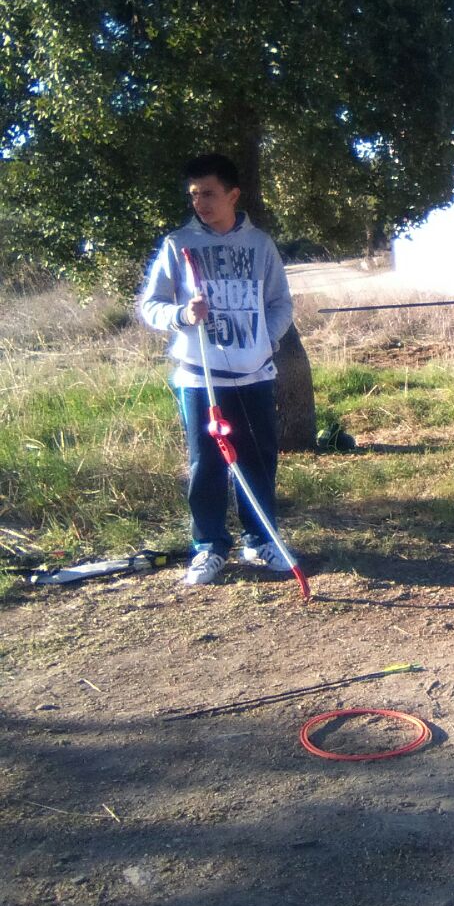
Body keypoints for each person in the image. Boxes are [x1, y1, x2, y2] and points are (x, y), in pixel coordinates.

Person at [140, 154, 295, 584]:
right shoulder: (177, 244)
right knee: (206, 463)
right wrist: (182, 315)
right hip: (200, 377)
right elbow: (151, 306)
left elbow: (281, 303)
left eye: (208, 193)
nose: (200, 203)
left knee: (258, 460)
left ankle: (260, 539)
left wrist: (266, 341)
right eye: (194, 195)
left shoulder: (260, 244)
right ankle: (208, 546)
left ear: (233, 194)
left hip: (254, 375)